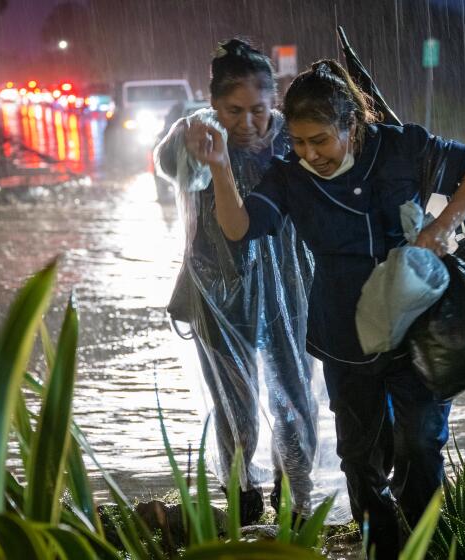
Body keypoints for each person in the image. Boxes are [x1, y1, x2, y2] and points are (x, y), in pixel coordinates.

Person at [185, 59, 465, 556]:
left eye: (321, 140)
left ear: (352, 126)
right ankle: (382, 548)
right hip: (344, 330)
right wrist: (222, 169)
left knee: (419, 444)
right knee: (358, 456)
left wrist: (439, 229)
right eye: (300, 142)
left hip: (418, 322)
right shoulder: (289, 176)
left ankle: (424, 546)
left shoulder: (401, 147)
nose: (310, 154)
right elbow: (239, 228)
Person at [155, 39, 317, 525]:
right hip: (219, 296)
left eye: (258, 110)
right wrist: (188, 144)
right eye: (234, 110)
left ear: (276, 102)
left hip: (290, 295)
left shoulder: (294, 140)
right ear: (214, 105)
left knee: (294, 400)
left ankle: (296, 503)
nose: (247, 123)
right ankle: (242, 501)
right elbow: (168, 165)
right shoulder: (199, 136)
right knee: (235, 410)